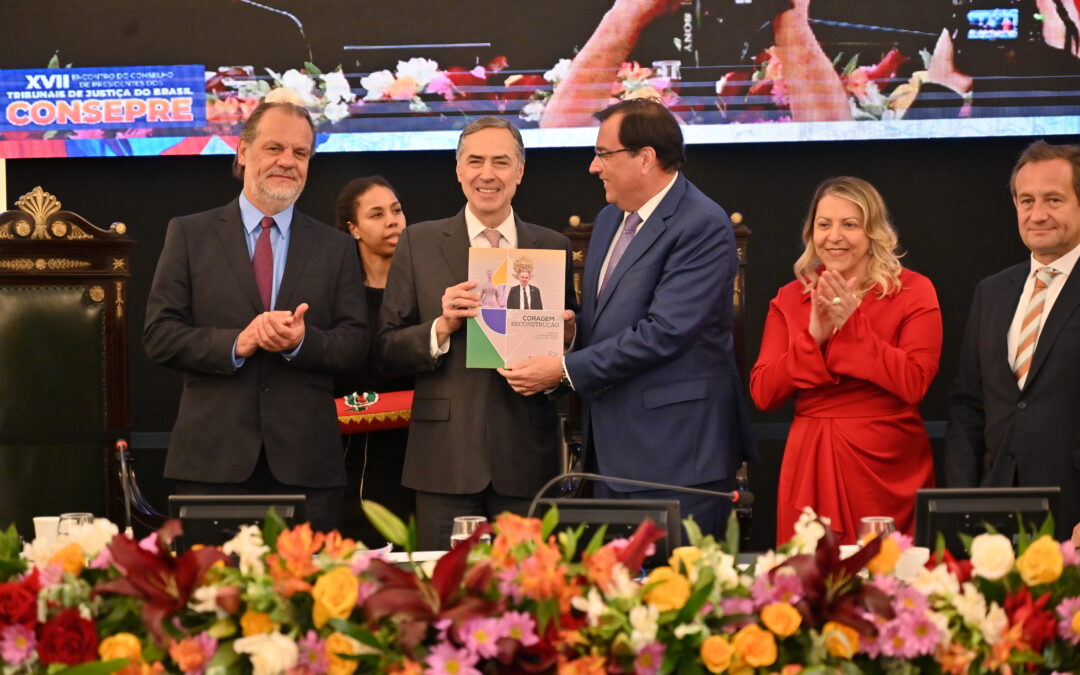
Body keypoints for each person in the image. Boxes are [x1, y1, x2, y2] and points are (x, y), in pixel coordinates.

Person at [502, 99, 756, 539]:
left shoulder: (702, 224)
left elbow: (666, 332)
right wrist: (573, 331)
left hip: (677, 459)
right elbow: (612, 319)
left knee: (681, 582)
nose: (593, 167)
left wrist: (564, 369)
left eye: (603, 154)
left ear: (645, 158)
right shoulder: (608, 220)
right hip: (611, 458)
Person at [144, 101, 368, 533]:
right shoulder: (190, 234)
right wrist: (237, 343)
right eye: (274, 148)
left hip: (307, 470)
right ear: (243, 151)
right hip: (211, 467)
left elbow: (356, 344)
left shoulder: (336, 247)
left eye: (300, 153)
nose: (288, 161)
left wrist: (301, 342)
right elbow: (159, 335)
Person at [377, 116, 578, 550]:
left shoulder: (552, 246)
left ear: (520, 171)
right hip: (443, 459)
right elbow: (387, 349)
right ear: (458, 169)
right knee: (441, 584)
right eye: (475, 161)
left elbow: (568, 356)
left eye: (501, 162)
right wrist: (441, 326)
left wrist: (565, 342)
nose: (487, 174)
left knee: (526, 586)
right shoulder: (418, 243)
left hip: (527, 458)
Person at [749, 177, 942, 546]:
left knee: (891, 576)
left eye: (850, 224)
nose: (834, 236)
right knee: (812, 578)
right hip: (812, 462)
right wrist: (813, 338)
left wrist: (853, 329)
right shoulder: (789, 298)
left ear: (873, 232)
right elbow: (763, 393)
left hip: (889, 465)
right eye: (824, 224)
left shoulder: (914, 290)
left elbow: (915, 381)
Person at [946, 140, 1080, 541]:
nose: (1037, 214)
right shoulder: (991, 292)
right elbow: (968, 407)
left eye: (1053, 199)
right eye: (1026, 201)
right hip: (994, 520)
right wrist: (961, 506)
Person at [331, 175, 414, 546]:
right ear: (353, 229)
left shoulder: (426, 289)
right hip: (348, 449)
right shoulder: (336, 294)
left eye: (396, 211)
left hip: (414, 449)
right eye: (377, 215)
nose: (393, 221)